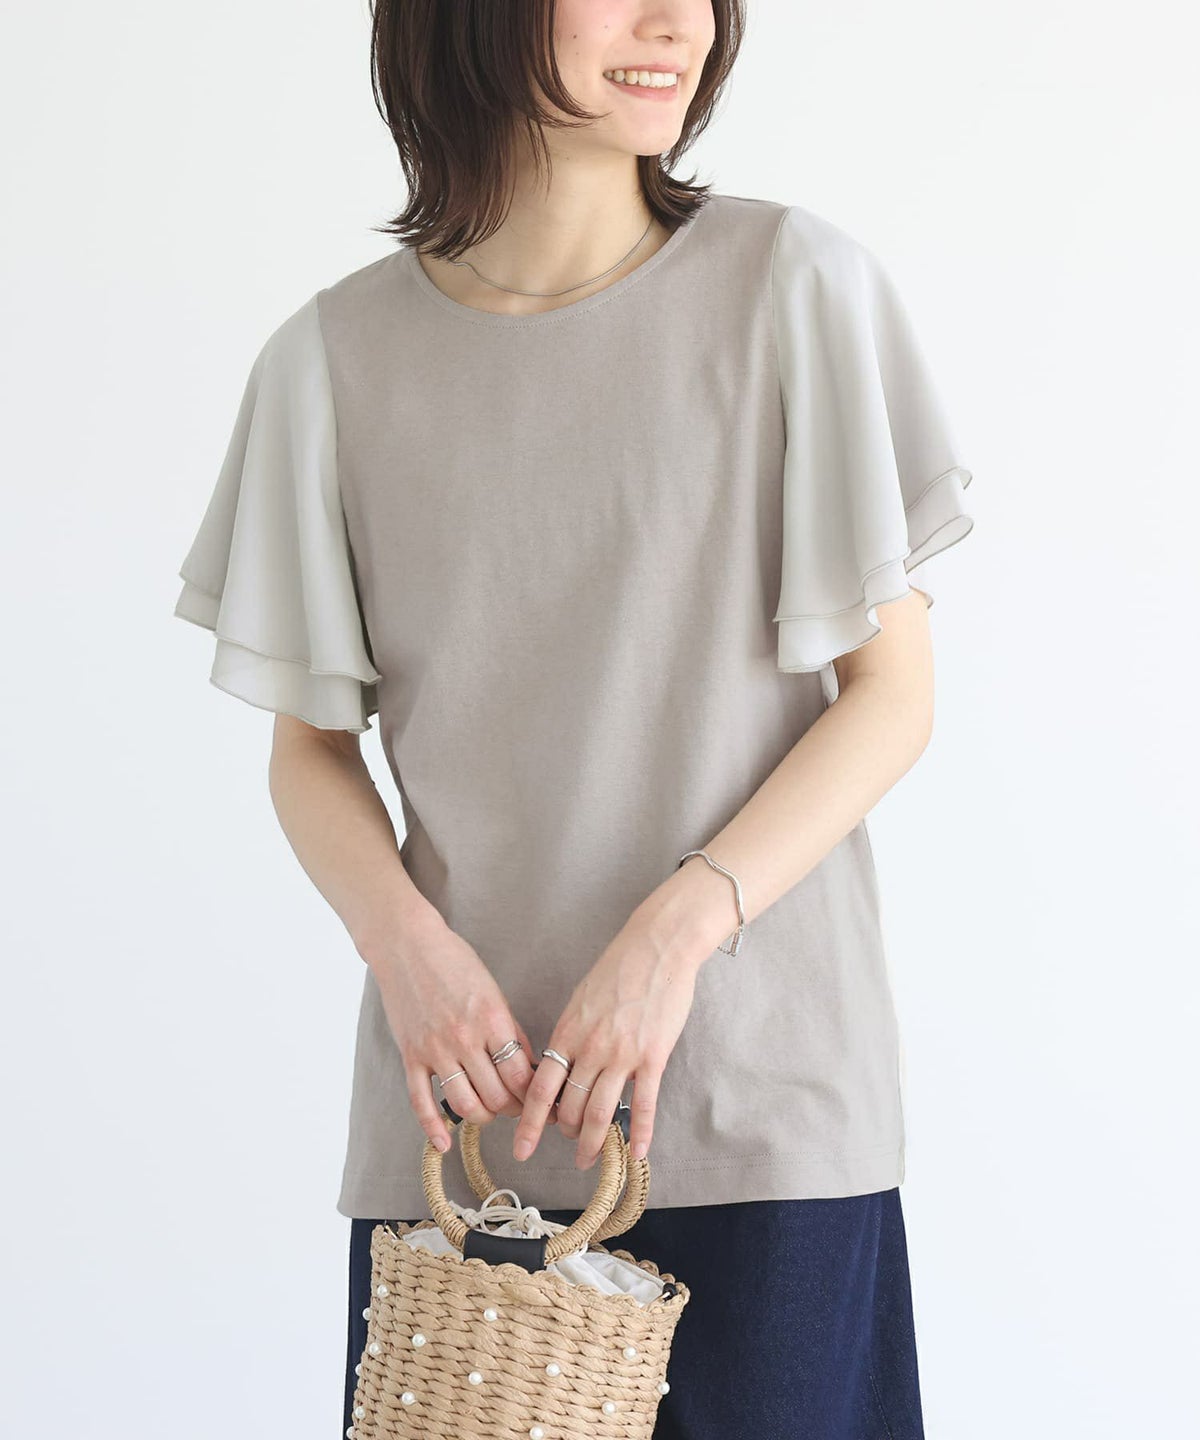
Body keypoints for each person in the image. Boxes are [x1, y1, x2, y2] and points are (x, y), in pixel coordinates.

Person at [172, 3, 976, 1436]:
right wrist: (405, 950)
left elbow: (891, 697)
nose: (679, 24)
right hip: (465, 1143)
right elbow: (310, 752)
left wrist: (674, 937)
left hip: (762, 1112)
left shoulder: (793, 286)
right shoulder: (332, 361)